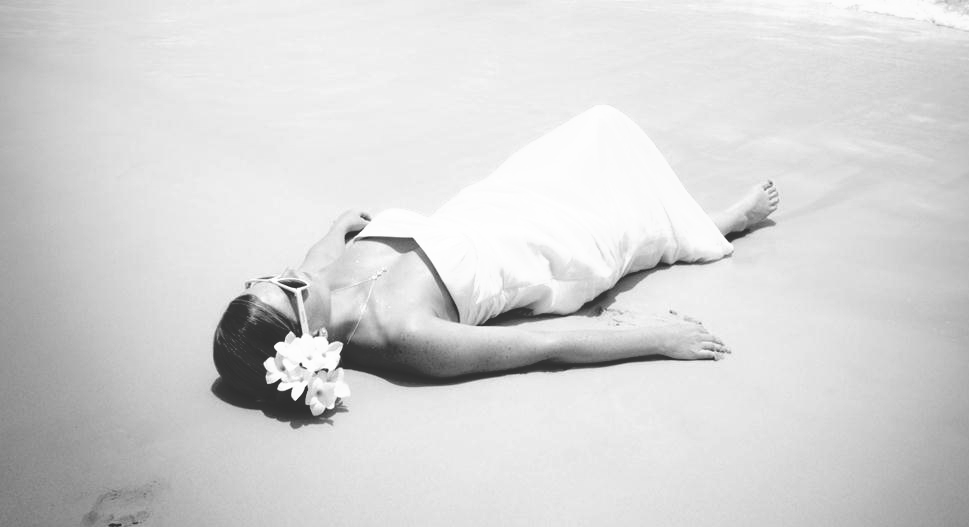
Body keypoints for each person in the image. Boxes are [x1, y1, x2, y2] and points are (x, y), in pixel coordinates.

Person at [213, 106, 779, 415]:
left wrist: (338, 226)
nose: (283, 275)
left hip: (491, 203)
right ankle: (721, 223)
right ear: (305, 339)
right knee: (631, 227)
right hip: (545, 251)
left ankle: (700, 218)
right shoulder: (405, 337)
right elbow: (542, 347)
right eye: (281, 288)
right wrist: (658, 338)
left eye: (265, 278)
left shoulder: (315, 280)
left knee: (599, 127)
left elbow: (313, 260)